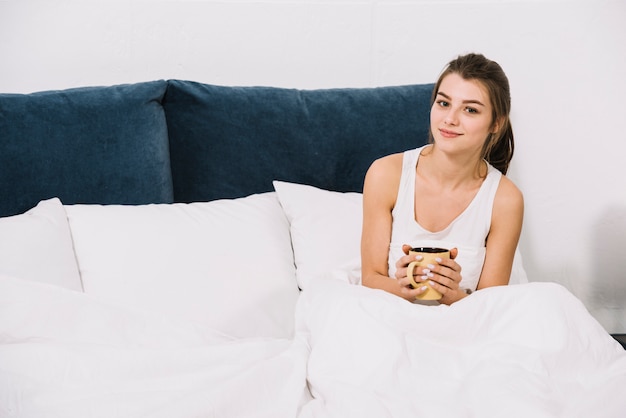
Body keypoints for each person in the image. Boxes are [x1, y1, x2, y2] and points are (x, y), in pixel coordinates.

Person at [361, 53, 524, 305]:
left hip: (466, 331)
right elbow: (371, 278)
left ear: (496, 124)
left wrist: (453, 296)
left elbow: (491, 307)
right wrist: (402, 287)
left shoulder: (505, 199)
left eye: (470, 109)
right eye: (444, 103)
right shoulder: (385, 174)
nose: (450, 119)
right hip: (392, 322)